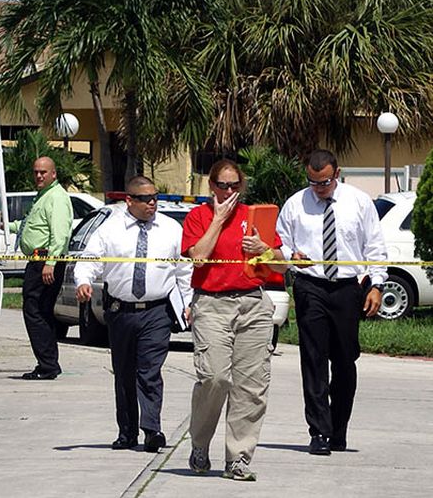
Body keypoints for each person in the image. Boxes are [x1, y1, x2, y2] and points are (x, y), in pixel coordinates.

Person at [181, 159, 287, 482]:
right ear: (211, 187)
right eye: (222, 186)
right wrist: (218, 220)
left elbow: (281, 267)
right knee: (214, 377)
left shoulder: (254, 217)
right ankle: (200, 444)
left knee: (251, 386)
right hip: (212, 303)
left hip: (252, 303)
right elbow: (198, 255)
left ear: (241, 186)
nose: (228, 192)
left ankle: (238, 457)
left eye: (234, 186)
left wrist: (265, 249)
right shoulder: (198, 216)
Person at [276, 149, 386, 455]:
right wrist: (290, 256)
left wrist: (376, 285)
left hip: (347, 289)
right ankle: (319, 432)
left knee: (345, 360)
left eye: (324, 181)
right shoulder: (296, 204)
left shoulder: (359, 201)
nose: (319, 188)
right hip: (310, 285)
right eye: (313, 182)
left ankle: (339, 429)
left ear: (336, 174)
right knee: (313, 360)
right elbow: (279, 245)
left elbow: (375, 246)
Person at [74, 176, 192, 453]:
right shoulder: (110, 229)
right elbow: (89, 259)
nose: (152, 203)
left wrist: (188, 302)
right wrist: (83, 281)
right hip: (120, 311)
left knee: (149, 371)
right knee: (124, 373)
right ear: (129, 200)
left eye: (155, 197)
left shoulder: (171, 230)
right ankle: (127, 432)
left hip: (157, 312)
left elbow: (184, 271)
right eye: (145, 198)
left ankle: (152, 429)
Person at [8, 156, 73, 380]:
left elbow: (60, 234)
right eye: (36, 172)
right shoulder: (42, 197)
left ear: (54, 174)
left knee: (35, 312)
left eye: (43, 172)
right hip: (38, 261)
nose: (38, 176)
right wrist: (7, 225)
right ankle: (48, 363)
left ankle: (48, 365)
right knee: (39, 312)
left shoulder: (57, 197)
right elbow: (30, 224)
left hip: (45, 261)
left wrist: (50, 263)